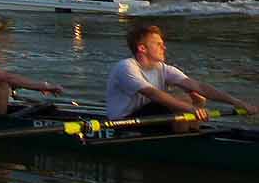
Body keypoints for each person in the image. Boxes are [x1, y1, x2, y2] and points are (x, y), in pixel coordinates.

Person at [107, 25, 257, 131]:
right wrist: (191, 109)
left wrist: (237, 102)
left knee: (198, 98)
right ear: (142, 48)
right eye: (158, 44)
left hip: (150, 117)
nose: (164, 48)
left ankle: (191, 134)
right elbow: (153, 94)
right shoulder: (126, 67)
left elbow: (200, 87)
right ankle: (185, 140)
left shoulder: (164, 68)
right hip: (123, 122)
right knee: (184, 102)